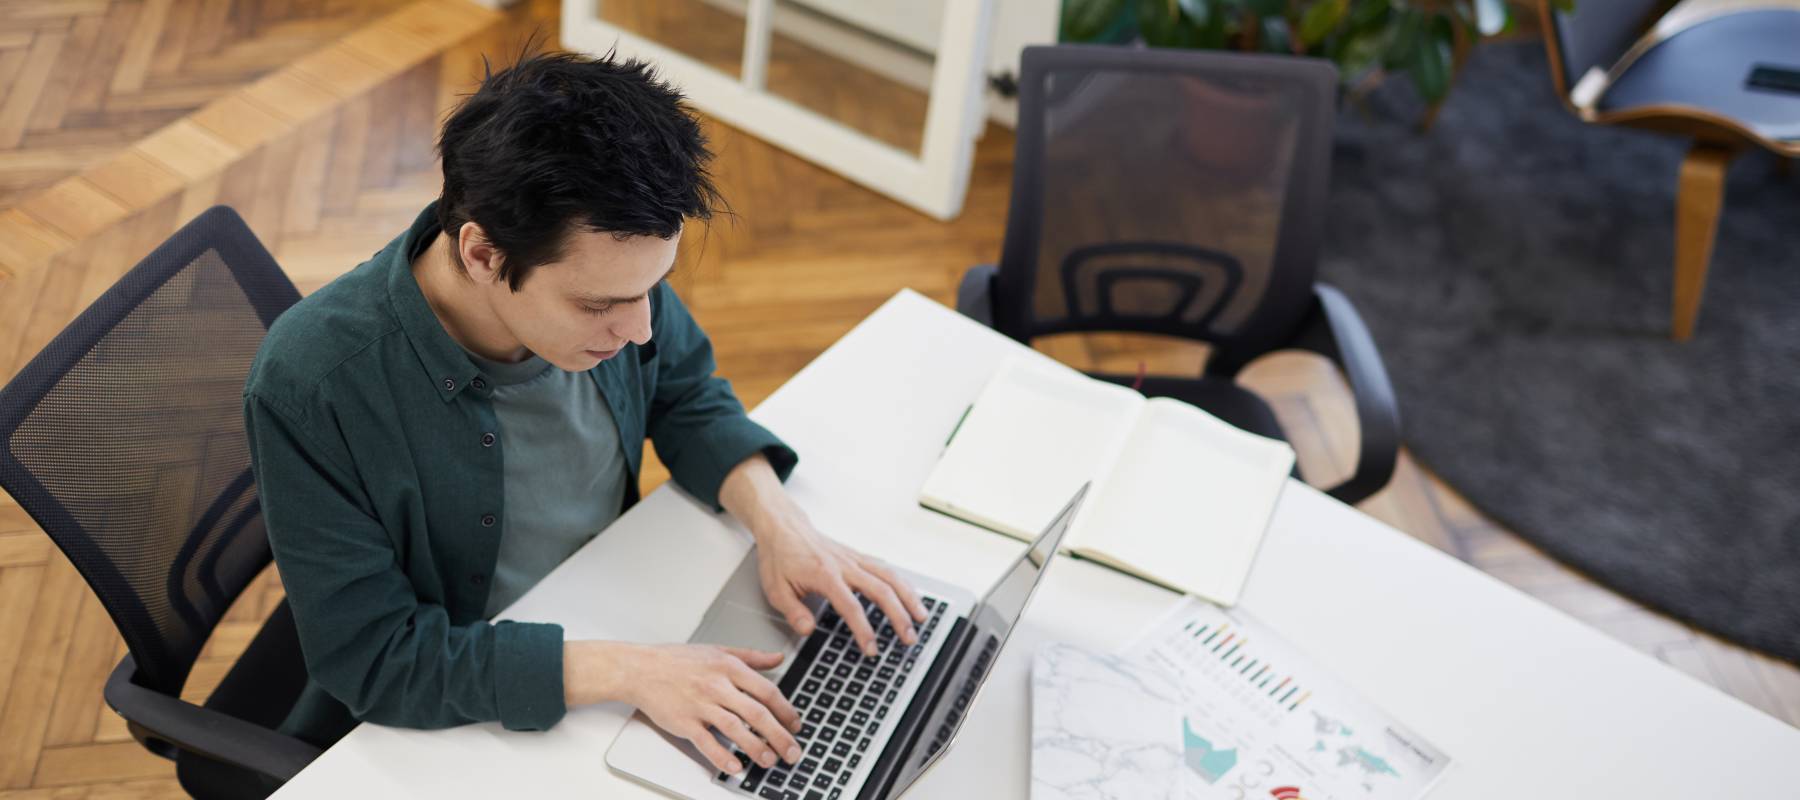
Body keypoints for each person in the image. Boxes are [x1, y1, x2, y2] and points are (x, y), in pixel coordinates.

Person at [242, 49, 923, 778]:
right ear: (481, 255)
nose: (640, 330)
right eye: (600, 305)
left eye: (653, 289)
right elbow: (375, 660)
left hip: (610, 601)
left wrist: (782, 525)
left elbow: (685, 391)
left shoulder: (612, 266)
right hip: (475, 708)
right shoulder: (313, 383)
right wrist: (632, 672)